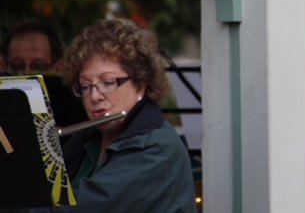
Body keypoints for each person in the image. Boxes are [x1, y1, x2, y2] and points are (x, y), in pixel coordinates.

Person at [26, 18, 197, 212]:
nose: (94, 96)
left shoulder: (154, 151)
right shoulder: (89, 138)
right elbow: (46, 191)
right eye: (85, 86)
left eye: (108, 82)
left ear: (140, 85)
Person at [0, 21, 86, 128]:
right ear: (3, 65)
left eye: (38, 66)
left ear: (58, 67)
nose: (26, 73)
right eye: (17, 65)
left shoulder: (74, 110)